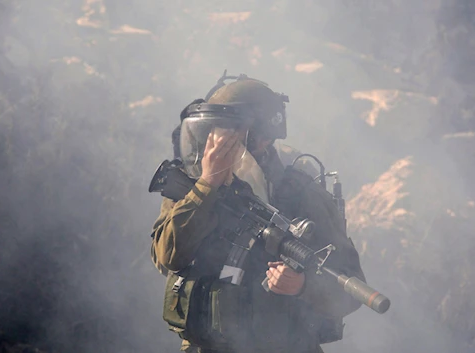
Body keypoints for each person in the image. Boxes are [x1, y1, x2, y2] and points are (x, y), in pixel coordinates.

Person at [150, 73, 366, 353]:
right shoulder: (191, 184)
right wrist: (207, 186)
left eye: (230, 130)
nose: (216, 139)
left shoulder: (300, 191)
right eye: (216, 129)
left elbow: (350, 290)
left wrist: (303, 285)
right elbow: (168, 256)